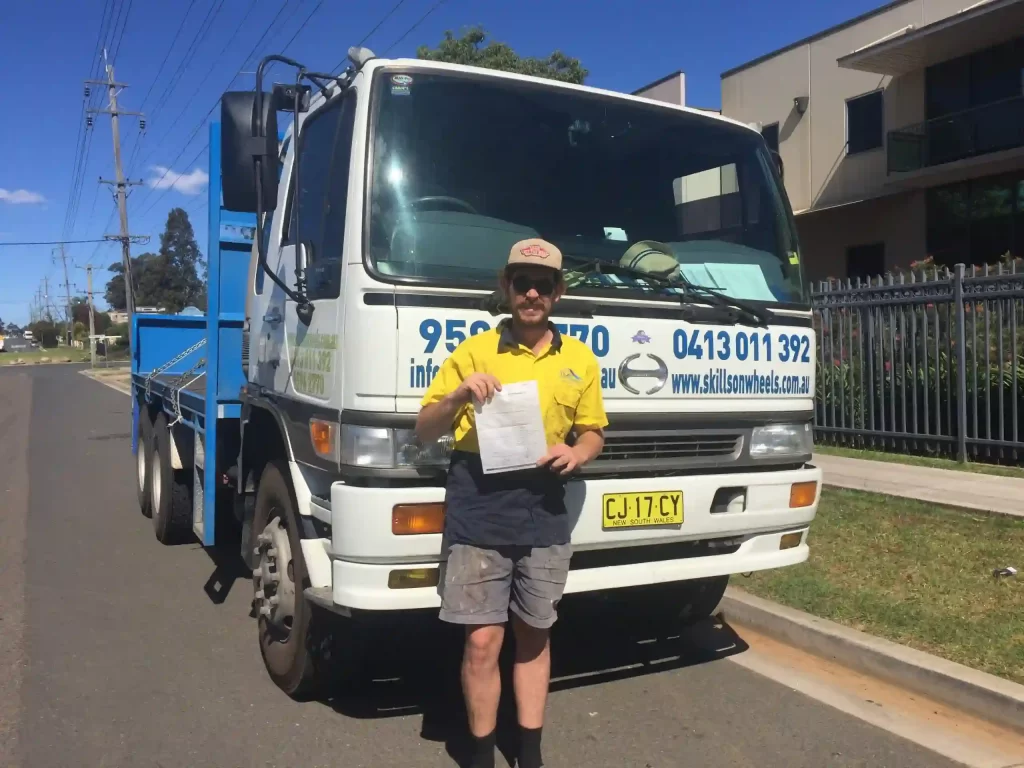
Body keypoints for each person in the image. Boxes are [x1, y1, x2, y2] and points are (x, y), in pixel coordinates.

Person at [416, 238, 608, 768]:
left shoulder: (579, 359)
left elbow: (594, 432)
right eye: (521, 283)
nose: (531, 293)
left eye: (542, 285)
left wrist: (578, 453)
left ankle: (530, 754)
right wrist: (456, 396)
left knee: (534, 634)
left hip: (545, 510)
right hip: (479, 504)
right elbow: (425, 428)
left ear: (557, 293)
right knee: (481, 641)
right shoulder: (474, 351)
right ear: (506, 288)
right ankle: (480, 756)